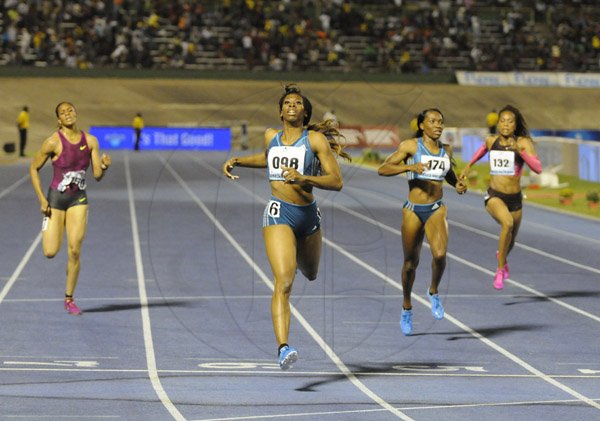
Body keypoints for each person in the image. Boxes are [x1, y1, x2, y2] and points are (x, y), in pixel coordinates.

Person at [222, 84, 350, 370]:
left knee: (311, 273)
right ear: (280, 111)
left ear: (304, 111)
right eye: (287, 103)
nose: (292, 105)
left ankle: (305, 263)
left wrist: (306, 179)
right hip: (279, 212)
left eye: (298, 103)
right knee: (284, 281)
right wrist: (238, 160)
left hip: (308, 215)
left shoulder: (315, 140)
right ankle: (283, 347)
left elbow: (336, 181)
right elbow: (268, 159)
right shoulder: (271, 136)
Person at [378, 108, 467, 336]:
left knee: (439, 255)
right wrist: (409, 167)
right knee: (410, 263)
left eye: (441, 121)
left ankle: (433, 291)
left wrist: (457, 183)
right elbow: (383, 168)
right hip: (413, 210)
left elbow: (448, 175)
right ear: (422, 125)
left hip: (436, 208)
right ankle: (407, 306)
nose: (438, 125)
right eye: (433, 121)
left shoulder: (445, 150)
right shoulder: (411, 147)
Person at [30, 102, 112, 315]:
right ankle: (50, 228)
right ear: (58, 120)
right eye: (63, 112)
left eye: (70, 110)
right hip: (56, 200)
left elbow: (96, 176)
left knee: (74, 250)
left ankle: (69, 298)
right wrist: (42, 199)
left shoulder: (91, 141)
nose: (68, 114)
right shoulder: (53, 142)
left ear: (76, 113)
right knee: (50, 252)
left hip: (78, 200)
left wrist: (103, 166)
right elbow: (33, 168)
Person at [460, 105, 542, 290]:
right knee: (507, 223)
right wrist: (468, 166)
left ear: (515, 125)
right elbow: (481, 150)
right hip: (495, 196)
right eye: (502, 121)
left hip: (515, 199)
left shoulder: (523, 143)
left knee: (510, 241)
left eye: (510, 121)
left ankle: (503, 259)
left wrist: (520, 151)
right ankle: (499, 270)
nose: (505, 124)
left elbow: (538, 168)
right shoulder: (492, 141)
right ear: (497, 124)